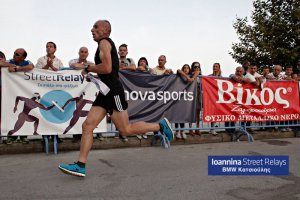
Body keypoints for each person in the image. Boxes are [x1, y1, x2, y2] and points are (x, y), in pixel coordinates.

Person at [58, 20, 174, 177]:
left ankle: (160, 126)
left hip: (113, 92)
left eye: (95, 27)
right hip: (105, 92)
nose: (92, 30)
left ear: (105, 30)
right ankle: (81, 165)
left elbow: (107, 67)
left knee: (125, 130)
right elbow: (107, 70)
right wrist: (93, 75)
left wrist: (86, 67)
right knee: (87, 126)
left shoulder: (104, 42)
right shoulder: (103, 45)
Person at [0, 48, 34, 144]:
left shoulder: (27, 62)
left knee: (24, 114)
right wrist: (11, 65)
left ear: (23, 57)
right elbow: (1, 63)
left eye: (17, 54)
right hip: (10, 93)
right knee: (12, 114)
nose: (14, 55)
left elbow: (31, 67)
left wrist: (17, 69)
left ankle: (23, 136)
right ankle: (11, 137)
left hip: (23, 92)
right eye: (14, 53)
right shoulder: (10, 61)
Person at [36, 42, 64, 143]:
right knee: (45, 111)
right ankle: (45, 136)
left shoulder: (58, 61)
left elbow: (61, 73)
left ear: (55, 49)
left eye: (50, 46)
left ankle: (56, 135)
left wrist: (51, 66)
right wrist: (47, 65)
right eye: (47, 46)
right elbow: (37, 72)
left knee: (55, 111)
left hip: (55, 89)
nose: (48, 48)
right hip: (44, 89)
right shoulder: (41, 59)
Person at [68, 47, 94, 142]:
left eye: (85, 52)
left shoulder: (90, 62)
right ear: (79, 53)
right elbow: (74, 66)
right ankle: (75, 135)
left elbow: (94, 66)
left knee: (86, 112)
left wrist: (86, 66)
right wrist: (87, 67)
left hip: (87, 89)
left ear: (88, 53)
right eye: (82, 52)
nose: (83, 53)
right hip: (75, 89)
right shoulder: (73, 60)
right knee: (75, 112)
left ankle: (85, 135)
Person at [175, 64, 198, 139]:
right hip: (178, 97)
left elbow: (198, 71)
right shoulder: (180, 75)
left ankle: (182, 131)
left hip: (186, 98)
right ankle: (177, 131)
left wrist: (192, 78)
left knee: (182, 115)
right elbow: (178, 70)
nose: (186, 69)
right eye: (184, 68)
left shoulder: (192, 74)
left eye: (187, 68)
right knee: (177, 115)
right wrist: (187, 77)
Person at [208, 63, 222, 135]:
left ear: (219, 68)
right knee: (212, 113)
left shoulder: (222, 77)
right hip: (211, 96)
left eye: (216, 66)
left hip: (219, 96)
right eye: (213, 66)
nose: (215, 67)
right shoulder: (209, 76)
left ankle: (213, 128)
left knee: (216, 113)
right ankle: (212, 128)